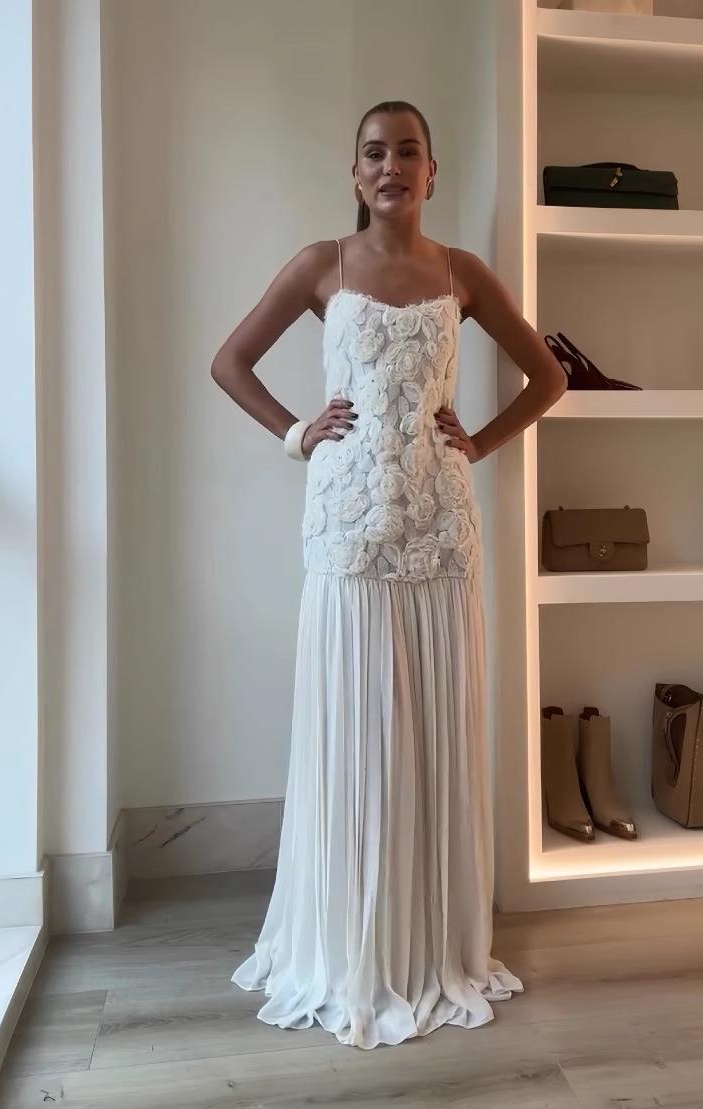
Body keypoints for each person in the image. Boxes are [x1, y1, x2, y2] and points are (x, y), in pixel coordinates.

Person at [210, 99, 567, 1050]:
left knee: (432, 726)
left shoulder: (462, 273)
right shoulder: (320, 264)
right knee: (355, 725)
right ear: (355, 171)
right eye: (374, 152)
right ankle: (350, 946)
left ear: (432, 171)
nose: (390, 166)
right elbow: (229, 361)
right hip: (346, 533)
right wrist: (298, 432)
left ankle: (429, 943)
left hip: (438, 528)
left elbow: (548, 377)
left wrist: (477, 442)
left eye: (408, 151)